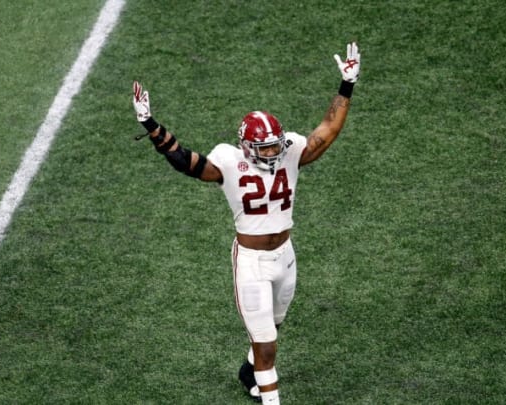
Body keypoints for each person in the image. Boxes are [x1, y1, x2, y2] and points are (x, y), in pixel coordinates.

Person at [132, 42, 360, 404]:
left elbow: (327, 130)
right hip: (251, 263)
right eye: (266, 148)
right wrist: (151, 125)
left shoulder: (290, 152)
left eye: (275, 145)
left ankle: (249, 368)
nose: (274, 152)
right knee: (267, 346)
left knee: (273, 328)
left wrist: (346, 85)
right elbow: (187, 163)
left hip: (286, 255)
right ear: (249, 147)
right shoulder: (228, 161)